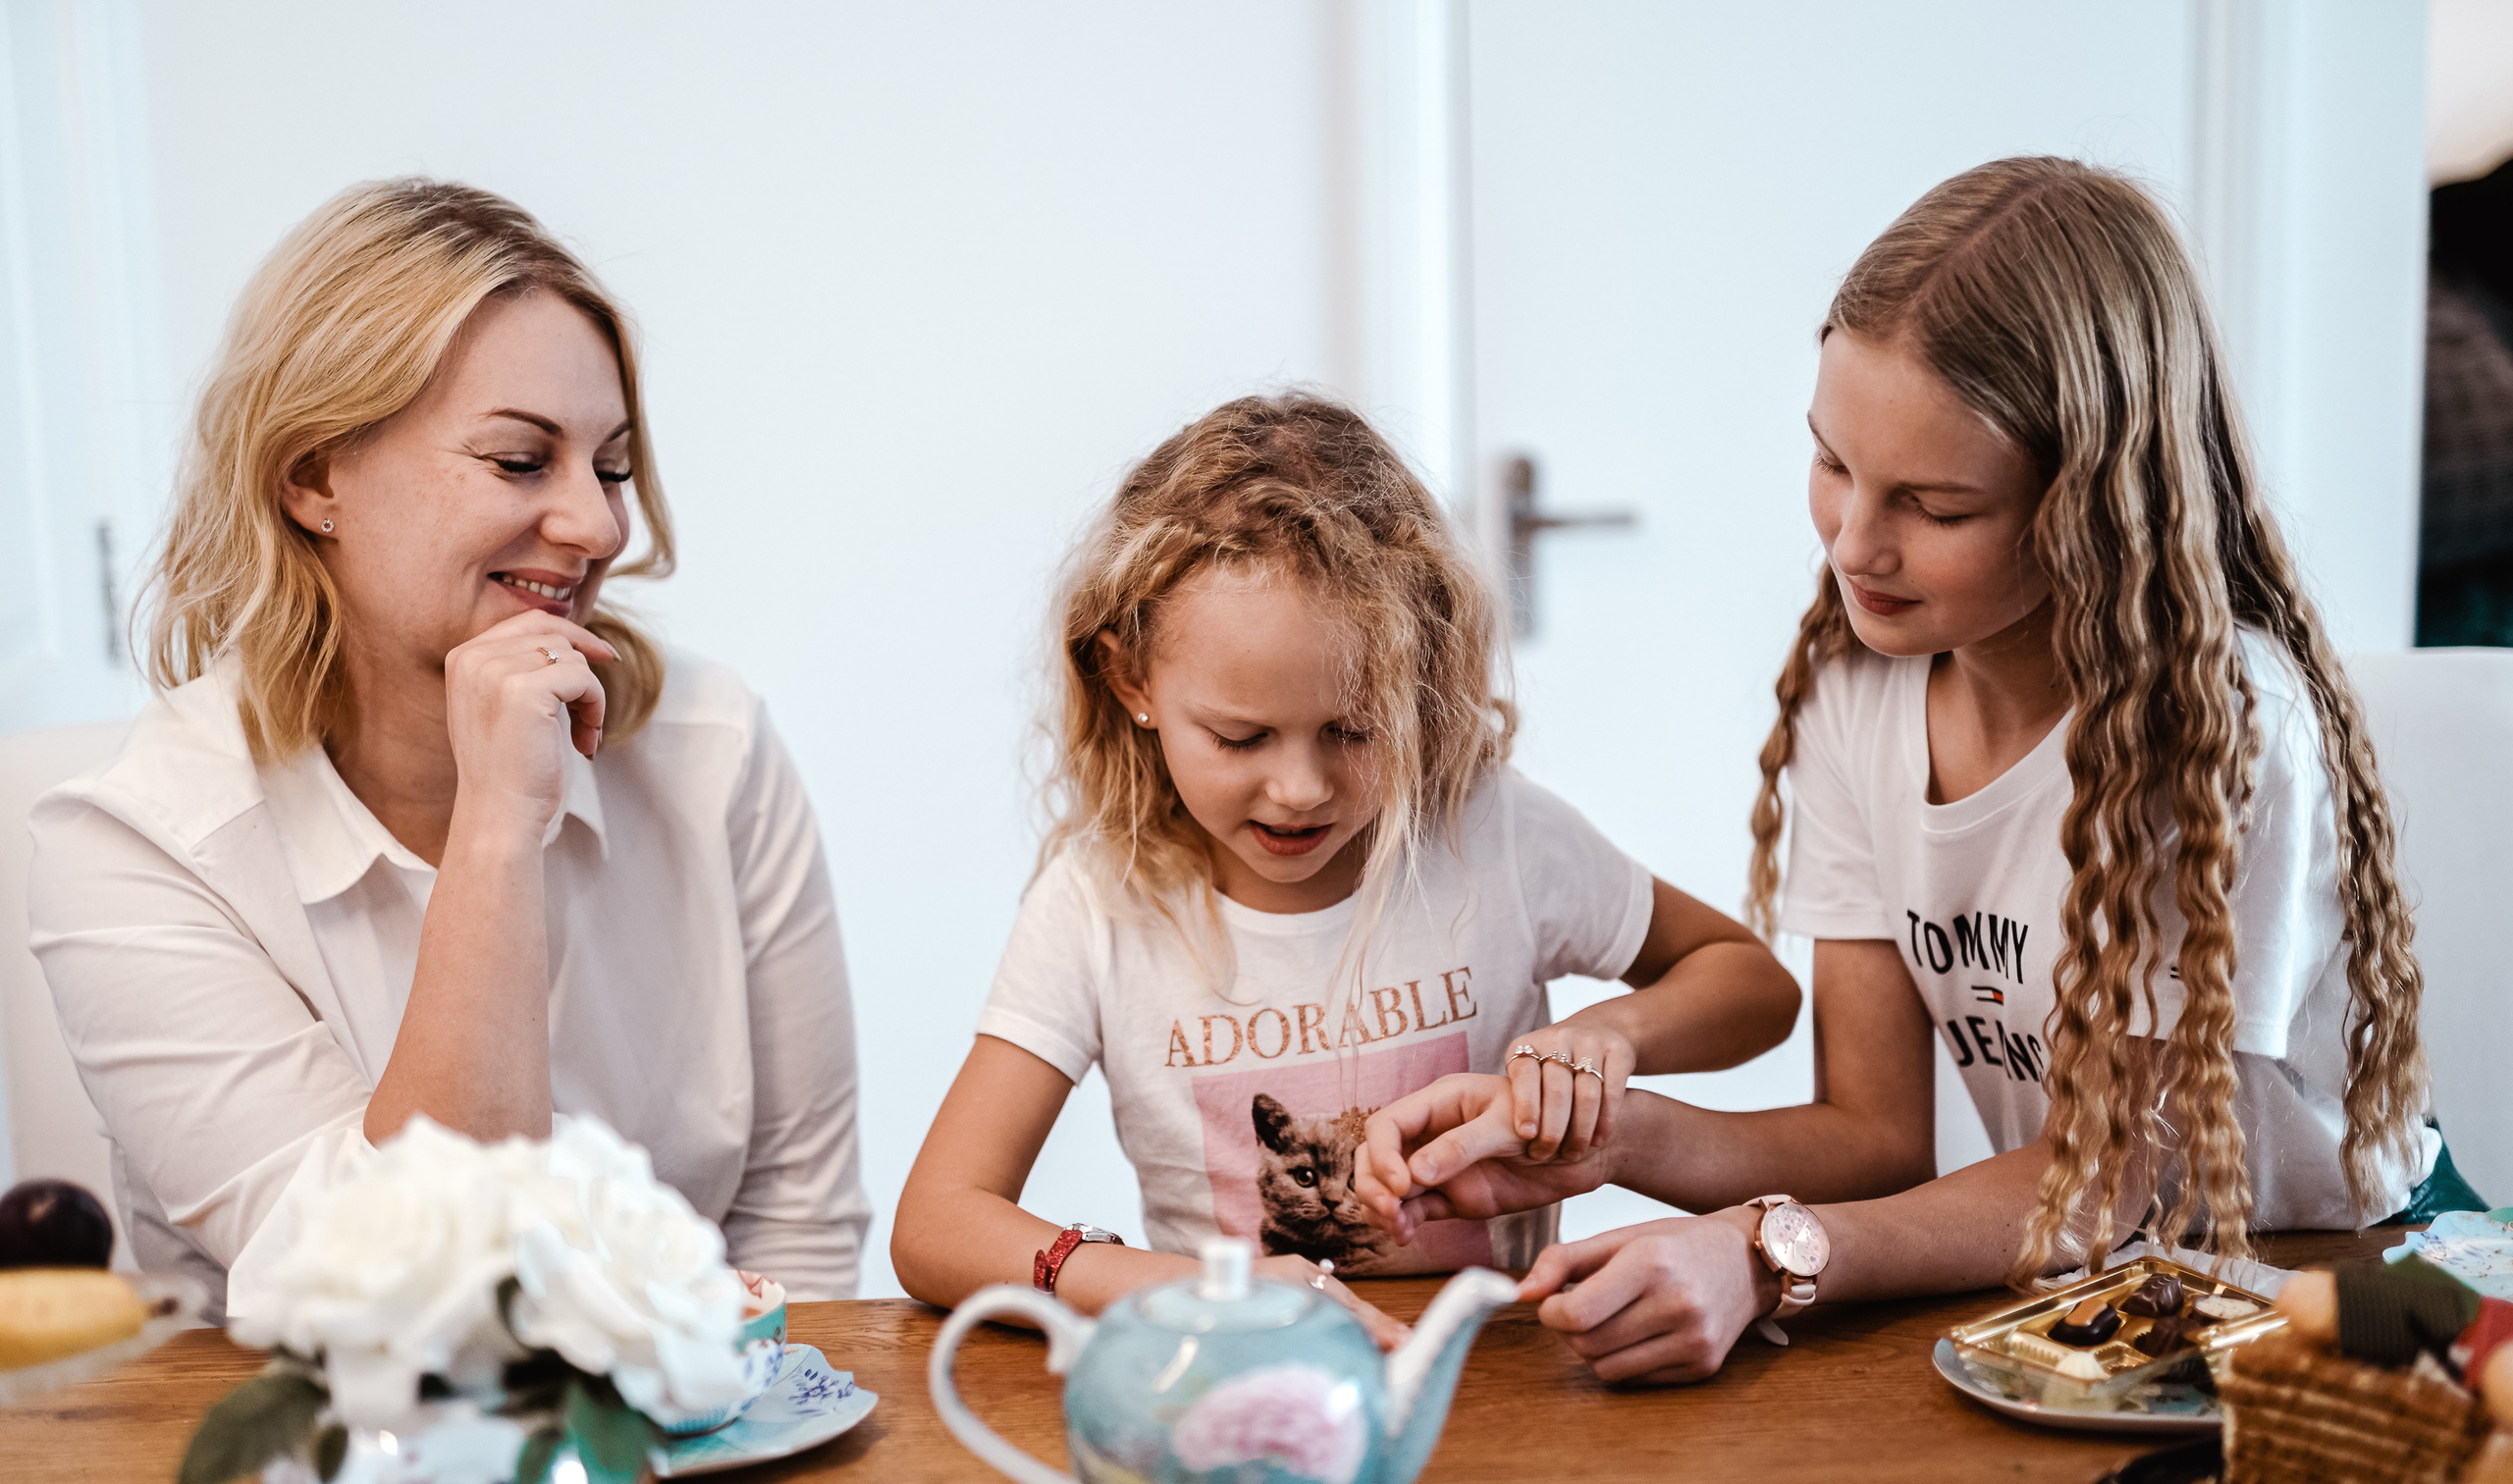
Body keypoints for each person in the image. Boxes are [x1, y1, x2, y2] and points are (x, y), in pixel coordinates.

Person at [1359, 156, 2476, 1384]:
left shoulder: (2219, 728)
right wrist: (1606, 1142)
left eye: (1935, 507)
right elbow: (1875, 1137)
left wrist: (1768, 1250)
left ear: (2095, 503)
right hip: (2091, 1281)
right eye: (1833, 464)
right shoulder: (1859, 691)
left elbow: (2126, 1173)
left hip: (2341, 1274)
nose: (1853, 544)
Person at [27, 180, 868, 1320]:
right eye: (523, 461)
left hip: (710, 1449)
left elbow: (795, 1236)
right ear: (316, 474)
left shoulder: (707, 752)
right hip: (316, 1475)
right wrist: (494, 837)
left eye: (610, 467)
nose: (599, 526)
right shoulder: (130, 845)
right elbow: (397, 1299)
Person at [891, 393, 1800, 1344]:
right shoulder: (1097, 902)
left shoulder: (1491, 833)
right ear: (1130, 683)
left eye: (1352, 730)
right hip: (1242, 1389)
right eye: (1240, 737)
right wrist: (1186, 1291)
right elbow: (938, 1222)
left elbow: (1753, 987)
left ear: (1420, 684)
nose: (1299, 788)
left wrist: (1611, 1031)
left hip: (1493, 1384)